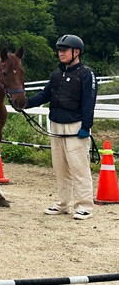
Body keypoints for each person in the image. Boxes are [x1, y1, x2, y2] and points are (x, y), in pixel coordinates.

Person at [25, 34, 97, 221]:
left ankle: (84, 206)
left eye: (64, 50)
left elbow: (89, 102)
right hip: (56, 126)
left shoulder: (86, 74)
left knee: (79, 168)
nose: (60, 53)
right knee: (60, 168)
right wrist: (26, 103)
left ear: (76, 52)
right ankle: (63, 203)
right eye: (59, 50)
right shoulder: (56, 75)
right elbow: (44, 95)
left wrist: (86, 126)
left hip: (75, 127)